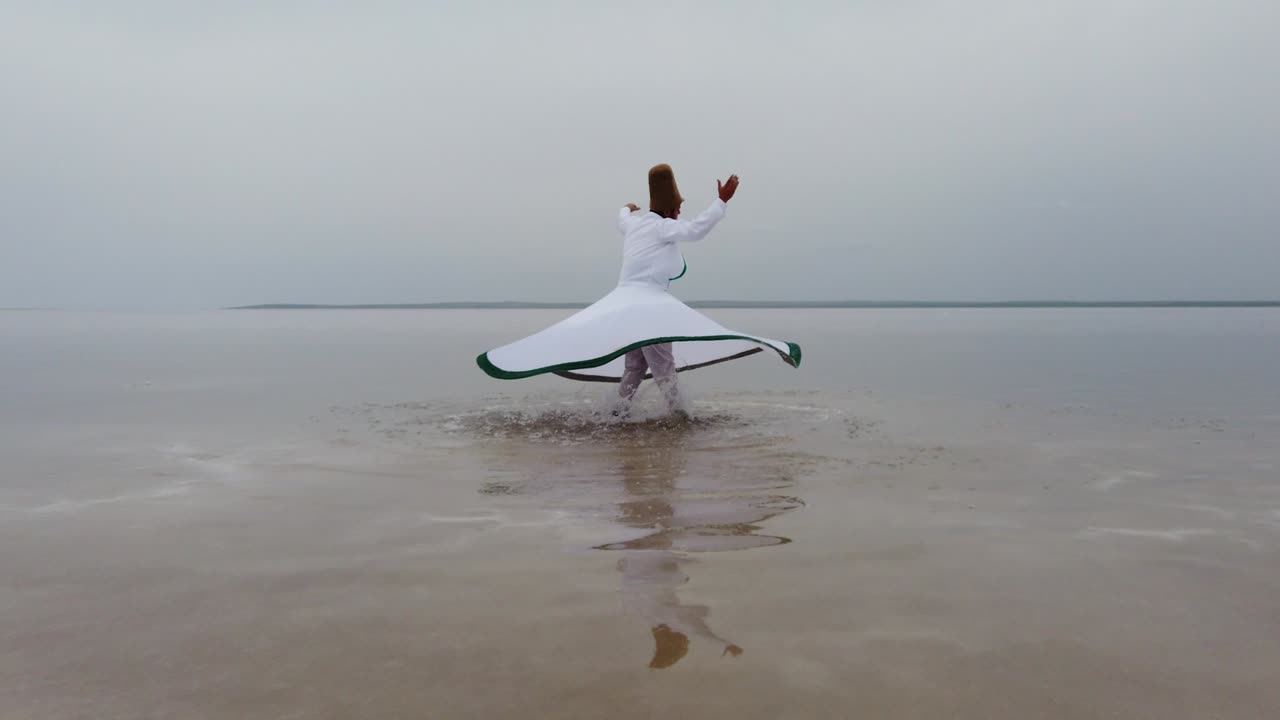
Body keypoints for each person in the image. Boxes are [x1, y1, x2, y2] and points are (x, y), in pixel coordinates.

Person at [476, 164, 800, 417]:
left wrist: (626, 208)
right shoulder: (663, 227)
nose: (679, 214)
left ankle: (618, 413)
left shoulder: (634, 225)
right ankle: (678, 418)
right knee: (663, 367)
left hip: (623, 307)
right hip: (648, 308)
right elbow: (696, 229)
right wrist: (721, 201)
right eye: (678, 209)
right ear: (673, 209)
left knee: (635, 367)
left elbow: (621, 219)